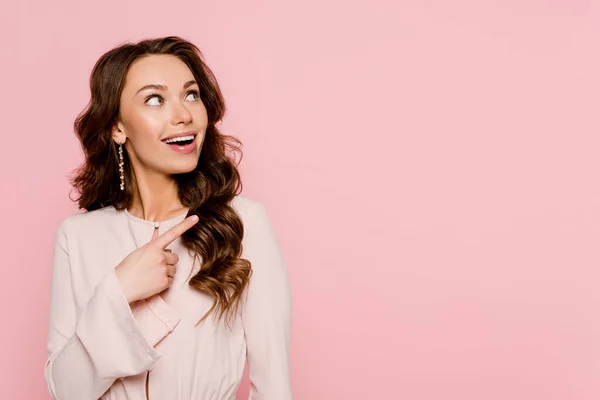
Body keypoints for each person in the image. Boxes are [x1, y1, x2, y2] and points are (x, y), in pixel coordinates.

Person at [44, 36, 292, 400]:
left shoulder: (242, 223)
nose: (184, 115)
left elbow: (273, 386)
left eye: (191, 95)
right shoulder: (78, 236)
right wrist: (118, 292)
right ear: (117, 127)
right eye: (155, 99)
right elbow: (65, 392)